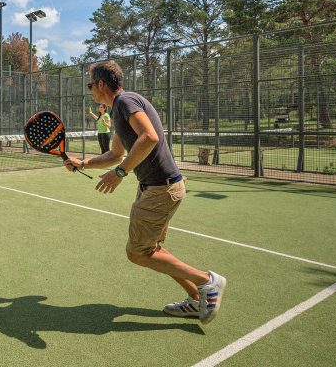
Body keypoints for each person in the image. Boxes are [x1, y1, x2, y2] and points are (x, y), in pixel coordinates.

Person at [64, 61, 226, 325]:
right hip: (157, 187)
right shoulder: (119, 108)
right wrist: (83, 163)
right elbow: (116, 154)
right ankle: (197, 298)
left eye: (90, 84)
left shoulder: (125, 102)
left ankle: (207, 281)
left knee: (137, 252)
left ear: (101, 84)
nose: (90, 88)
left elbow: (149, 137)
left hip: (161, 189)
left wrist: (120, 173)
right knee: (153, 248)